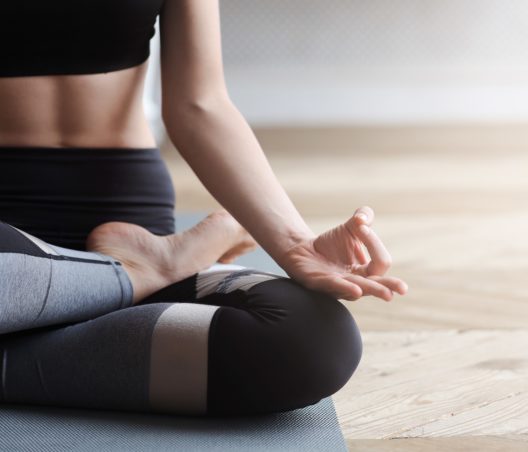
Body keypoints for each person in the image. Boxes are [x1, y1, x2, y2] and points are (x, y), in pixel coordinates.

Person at [0, 0, 408, 416]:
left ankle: (132, 275)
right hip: (8, 238)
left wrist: (295, 244)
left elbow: (200, 104)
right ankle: (134, 276)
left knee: (315, 342)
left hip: (130, 225)